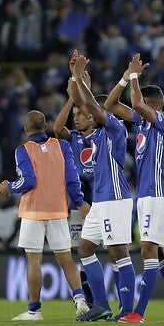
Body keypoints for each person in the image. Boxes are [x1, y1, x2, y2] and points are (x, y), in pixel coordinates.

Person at [103, 53, 164, 324]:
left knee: (147, 249)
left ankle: (139, 312)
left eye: (145, 103)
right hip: (145, 194)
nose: (139, 106)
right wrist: (125, 77)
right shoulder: (143, 123)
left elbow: (135, 103)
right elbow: (110, 105)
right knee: (157, 251)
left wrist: (135, 75)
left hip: (158, 192)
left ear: (154, 105)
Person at [0, 109, 91, 320]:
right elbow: (72, 179)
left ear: (26, 129)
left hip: (33, 211)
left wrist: (9, 187)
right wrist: (80, 202)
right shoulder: (62, 146)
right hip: (58, 210)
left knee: (34, 260)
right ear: (46, 126)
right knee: (66, 259)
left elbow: (28, 181)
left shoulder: (22, 150)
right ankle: (80, 300)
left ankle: (34, 310)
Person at [68, 51, 136, 322]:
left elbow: (93, 108)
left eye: (90, 113)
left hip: (115, 197)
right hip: (100, 200)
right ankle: (101, 305)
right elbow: (85, 107)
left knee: (118, 252)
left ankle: (128, 309)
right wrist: (77, 84)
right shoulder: (92, 134)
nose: (84, 116)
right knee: (85, 249)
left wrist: (79, 80)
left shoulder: (115, 128)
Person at [51, 71, 96, 303]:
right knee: (81, 251)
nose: (76, 118)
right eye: (75, 115)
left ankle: (114, 301)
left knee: (114, 252)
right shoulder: (73, 137)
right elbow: (57, 128)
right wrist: (71, 99)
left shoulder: (102, 133)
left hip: (101, 201)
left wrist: (85, 92)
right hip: (79, 204)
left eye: (80, 114)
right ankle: (89, 300)